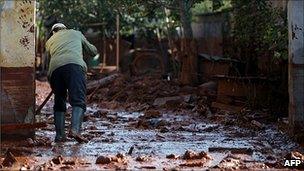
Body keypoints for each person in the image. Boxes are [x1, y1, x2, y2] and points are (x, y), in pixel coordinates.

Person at [45, 23, 98, 143]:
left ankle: (59, 136)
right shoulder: (76, 33)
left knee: (59, 101)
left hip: (55, 71)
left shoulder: (49, 41)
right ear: (65, 28)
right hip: (75, 67)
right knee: (78, 99)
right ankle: (75, 130)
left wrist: (53, 81)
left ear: (53, 32)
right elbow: (93, 51)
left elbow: (51, 60)